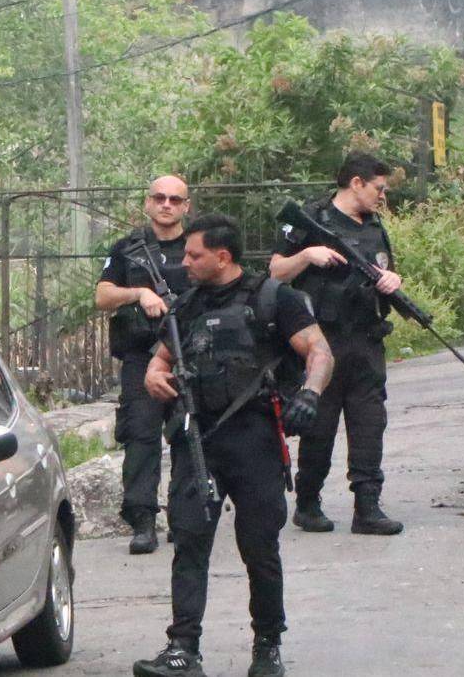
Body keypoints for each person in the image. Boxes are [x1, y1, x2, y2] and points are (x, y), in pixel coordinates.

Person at [135, 214, 333, 677]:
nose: (184, 263)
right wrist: (154, 377)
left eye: (194, 255)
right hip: (197, 438)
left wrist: (310, 393)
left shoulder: (273, 299)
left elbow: (320, 352)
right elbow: (158, 362)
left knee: (259, 546)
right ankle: (183, 648)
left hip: (255, 439)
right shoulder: (185, 308)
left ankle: (267, 644)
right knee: (189, 540)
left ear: (222, 257)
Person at [271, 153, 407, 536]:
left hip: (366, 340)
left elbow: (384, 269)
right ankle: (308, 503)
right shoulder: (311, 220)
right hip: (323, 343)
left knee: (369, 424)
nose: (382, 196)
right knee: (319, 426)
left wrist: (392, 281)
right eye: (378, 188)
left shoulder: (374, 228)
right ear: (356, 183)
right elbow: (276, 272)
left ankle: (367, 507)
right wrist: (306, 255)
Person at [94, 176, 193, 555]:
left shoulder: (197, 246)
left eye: (175, 199)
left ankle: (185, 517)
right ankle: (143, 521)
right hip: (141, 356)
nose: (167, 204)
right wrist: (139, 293)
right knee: (141, 436)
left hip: (189, 353)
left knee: (190, 433)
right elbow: (103, 295)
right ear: (148, 203)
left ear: (186, 206)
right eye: (159, 198)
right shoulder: (127, 249)